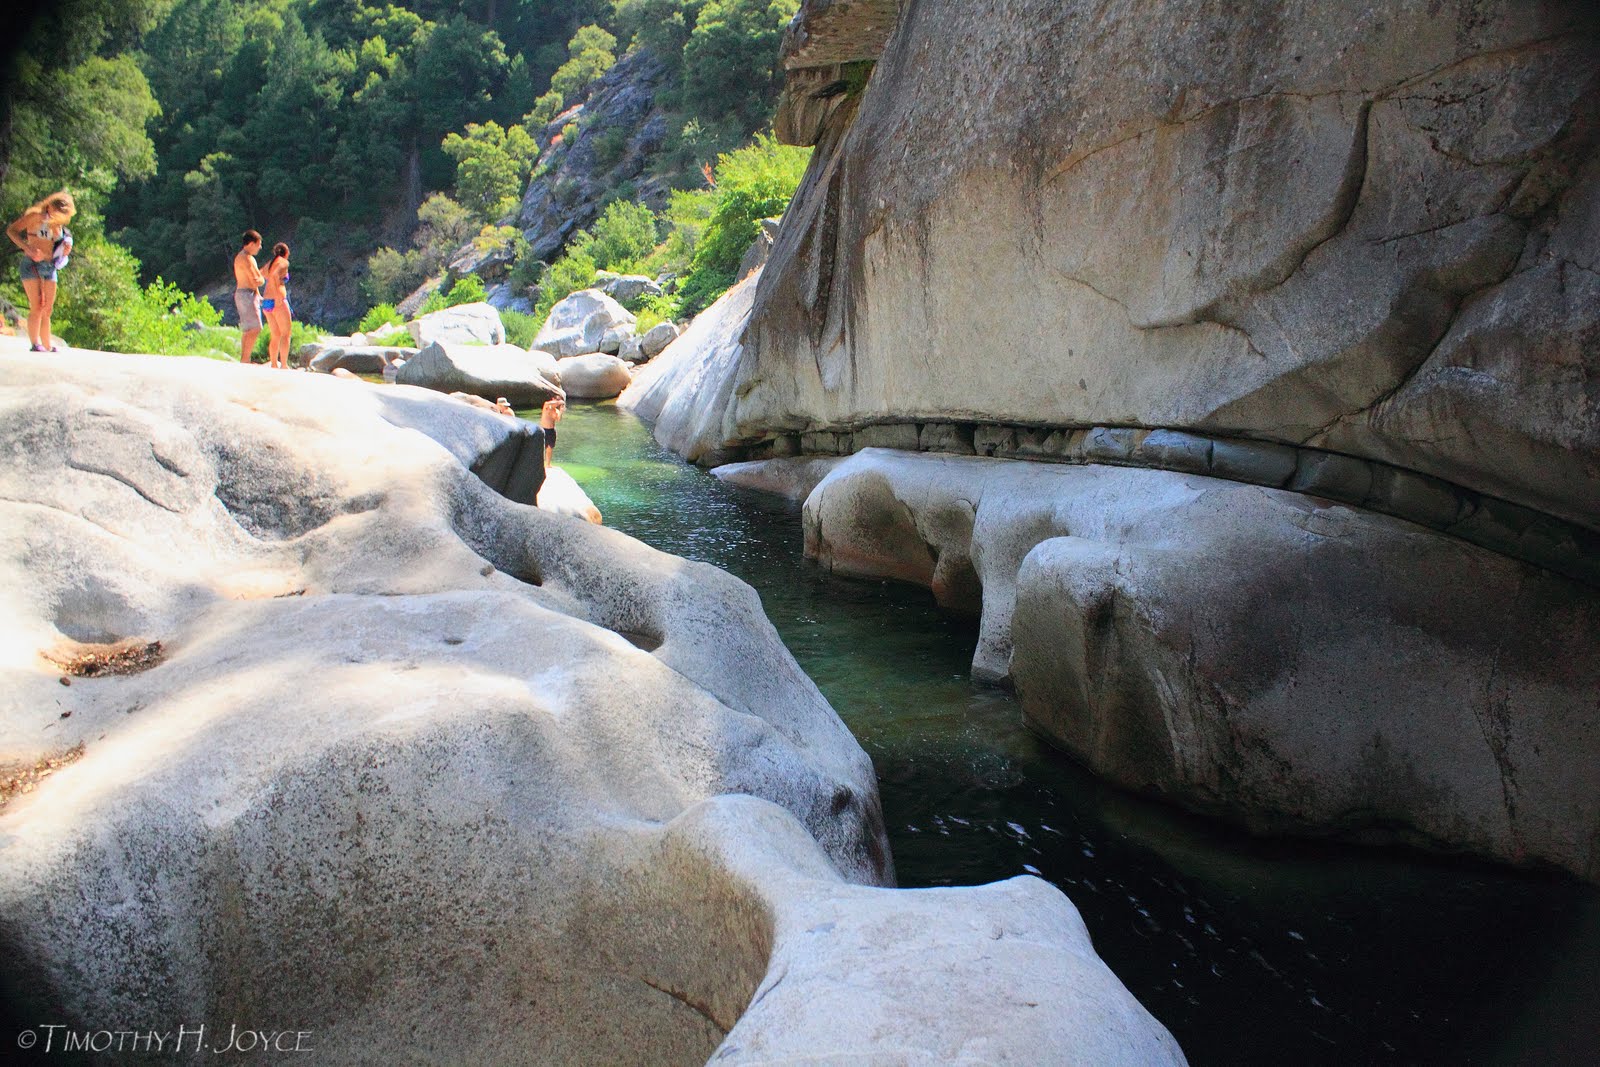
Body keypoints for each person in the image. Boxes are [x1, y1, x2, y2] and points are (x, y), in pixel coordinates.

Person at [6, 190, 76, 352]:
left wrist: (65, 250)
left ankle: (47, 344)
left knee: (47, 308)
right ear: (51, 207)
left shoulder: (58, 224)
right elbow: (12, 231)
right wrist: (28, 248)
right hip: (32, 264)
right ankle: (35, 343)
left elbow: (57, 246)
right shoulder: (36, 216)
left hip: (50, 266)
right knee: (37, 305)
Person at [232, 230, 265, 363]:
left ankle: (244, 359)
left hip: (243, 294)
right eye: (258, 244)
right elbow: (256, 280)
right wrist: (263, 279)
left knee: (248, 329)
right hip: (246, 294)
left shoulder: (242, 256)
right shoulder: (247, 258)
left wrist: (258, 294)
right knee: (256, 328)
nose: (260, 247)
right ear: (251, 244)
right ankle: (245, 359)